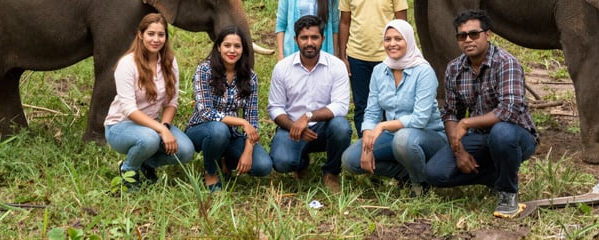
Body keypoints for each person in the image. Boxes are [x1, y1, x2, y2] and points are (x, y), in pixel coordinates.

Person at [424, 9, 539, 218]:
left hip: (516, 135)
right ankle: (495, 175)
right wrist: (459, 151)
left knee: (501, 133)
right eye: (462, 36)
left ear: (488, 34)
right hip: (479, 137)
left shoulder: (506, 63)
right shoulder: (454, 69)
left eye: (474, 34)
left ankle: (507, 192)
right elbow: (450, 112)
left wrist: (466, 123)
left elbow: (509, 110)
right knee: (435, 174)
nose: (468, 40)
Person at [341, 19, 448, 194]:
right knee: (350, 160)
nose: (392, 44)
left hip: (429, 137)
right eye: (388, 39)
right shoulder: (379, 71)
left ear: (409, 41)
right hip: (394, 136)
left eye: (398, 39)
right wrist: (368, 140)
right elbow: (372, 111)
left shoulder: (423, 72)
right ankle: (407, 175)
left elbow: (420, 119)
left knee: (403, 139)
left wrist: (383, 125)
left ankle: (421, 184)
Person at [104, 13, 195, 191]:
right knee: (150, 139)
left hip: (152, 126)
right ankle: (128, 170)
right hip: (120, 126)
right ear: (140, 35)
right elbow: (129, 109)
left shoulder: (169, 62)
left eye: (161, 35)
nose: (156, 39)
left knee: (186, 151)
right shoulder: (127, 64)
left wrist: (166, 126)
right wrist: (160, 129)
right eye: (151, 34)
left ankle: (147, 164)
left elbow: (171, 102)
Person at [268, 14, 352, 193]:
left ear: (322, 39)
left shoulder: (336, 66)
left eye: (314, 37)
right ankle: (301, 162)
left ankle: (331, 172)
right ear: (296, 40)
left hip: (324, 128)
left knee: (341, 127)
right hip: (291, 129)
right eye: (304, 38)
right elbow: (275, 107)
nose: (309, 43)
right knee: (282, 163)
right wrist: (294, 126)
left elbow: (340, 105)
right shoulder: (282, 68)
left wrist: (307, 117)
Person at [185, 25, 273, 192]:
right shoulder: (204, 70)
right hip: (203, 129)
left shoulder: (250, 76)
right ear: (218, 47)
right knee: (219, 130)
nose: (232, 50)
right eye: (227, 45)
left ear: (243, 50)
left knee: (263, 166)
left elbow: (252, 119)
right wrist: (240, 121)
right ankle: (210, 171)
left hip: (233, 134)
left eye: (237, 46)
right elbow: (206, 112)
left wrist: (248, 150)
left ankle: (223, 160)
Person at [338, 0, 408, 135]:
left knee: (388, 106)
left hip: (387, 58)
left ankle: (386, 149)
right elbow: (345, 22)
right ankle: (363, 149)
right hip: (357, 56)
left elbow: (402, 24)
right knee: (362, 105)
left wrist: (402, 56)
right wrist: (343, 56)